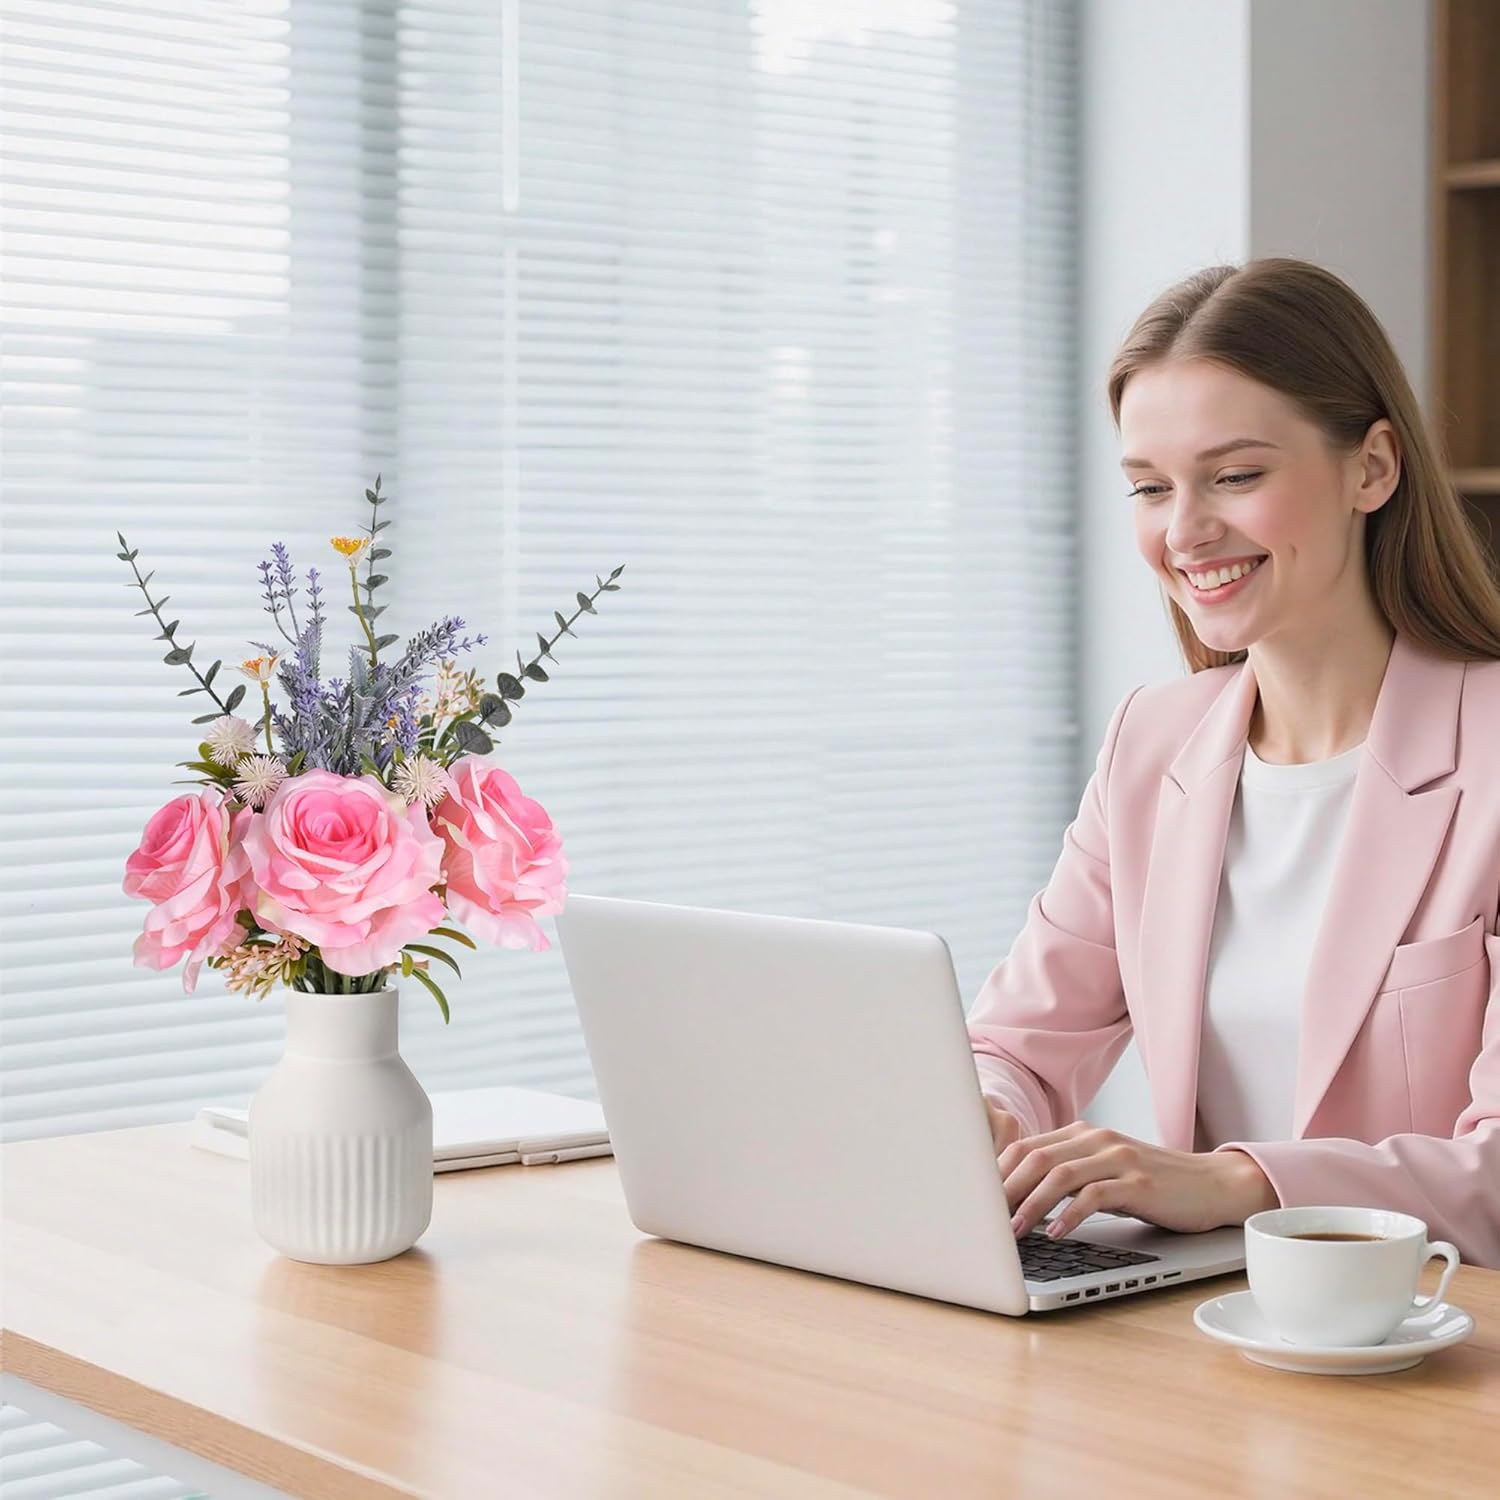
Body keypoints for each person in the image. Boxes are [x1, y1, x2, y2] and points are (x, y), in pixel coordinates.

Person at [968, 257, 1500, 1269]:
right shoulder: (1153, 744)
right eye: (1148, 488)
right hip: (1216, 1343)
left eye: (1236, 476)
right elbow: (1014, 1043)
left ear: (1372, 469)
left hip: (1441, 1359)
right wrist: (990, 1118)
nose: (1185, 531)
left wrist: (1237, 1181)